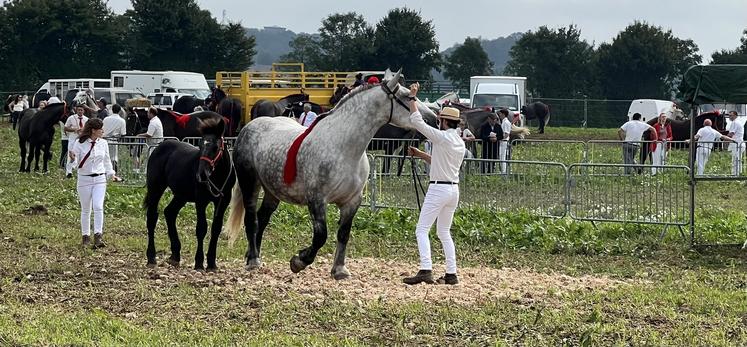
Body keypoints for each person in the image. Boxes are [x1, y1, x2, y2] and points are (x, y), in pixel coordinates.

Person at [402, 83, 465, 286]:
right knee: (444, 232)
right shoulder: (458, 141)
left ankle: (425, 269)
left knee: (422, 229)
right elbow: (440, 161)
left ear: (445, 121)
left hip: (438, 188)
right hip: (453, 189)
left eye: (440, 120)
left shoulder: (442, 137)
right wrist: (421, 155)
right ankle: (451, 273)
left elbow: (418, 121)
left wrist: (412, 98)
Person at [70, 118, 122, 248]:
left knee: (98, 207)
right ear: (93, 130)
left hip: (100, 179)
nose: (103, 131)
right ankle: (85, 237)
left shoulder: (103, 143)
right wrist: (73, 159)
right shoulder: (79, 143)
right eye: (101, 129)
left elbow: (107, 161)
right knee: (86, 209)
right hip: (84, 179)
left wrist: (111, 174)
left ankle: (98, 236)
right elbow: (75, 164)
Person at [64, 105, 89, 178]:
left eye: (81, 110)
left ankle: (78, 169)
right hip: (73, 139)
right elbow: (66, 128)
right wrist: (74, 130)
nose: (80, 111)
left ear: (84, 111)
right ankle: (68, 172)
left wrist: (83, 131)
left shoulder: (86, 119)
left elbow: (88, 129)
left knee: (81, 154)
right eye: (79, 110)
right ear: (76, 110)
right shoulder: (71, 118)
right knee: (70, 154)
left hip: (82, 139)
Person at [103, 104, 127, 172]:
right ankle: (113, 172)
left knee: (105, 157)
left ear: (112, 110)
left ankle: (105, 171)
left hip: (105, 140)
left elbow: (102, 130)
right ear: (119, 111)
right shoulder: (122, 121)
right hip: (114, 140)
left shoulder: (106, 119)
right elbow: (123, 134)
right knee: (113, 157)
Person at [727, 111, 744, 176]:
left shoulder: (734, 122)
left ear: (735, 116)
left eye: (731, 115)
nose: (730, 117)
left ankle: (735, 174)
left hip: (736, 144)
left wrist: (724, 137)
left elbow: (731, 134)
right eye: (729, 115)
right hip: (739, 143)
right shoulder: (738, 122)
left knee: (735, 159)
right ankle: (738, 173)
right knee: (737, 159)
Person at [498, 108, 512, 174]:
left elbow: (506, 134)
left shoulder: (506, 123)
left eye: (500, 114)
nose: (499, 115)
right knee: (501, 157)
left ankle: (503, 172)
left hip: (503, 142)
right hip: (502, 141)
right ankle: (502, 171)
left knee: (502, 157)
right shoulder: (504, 122)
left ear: (503, 114)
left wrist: (499, 138)